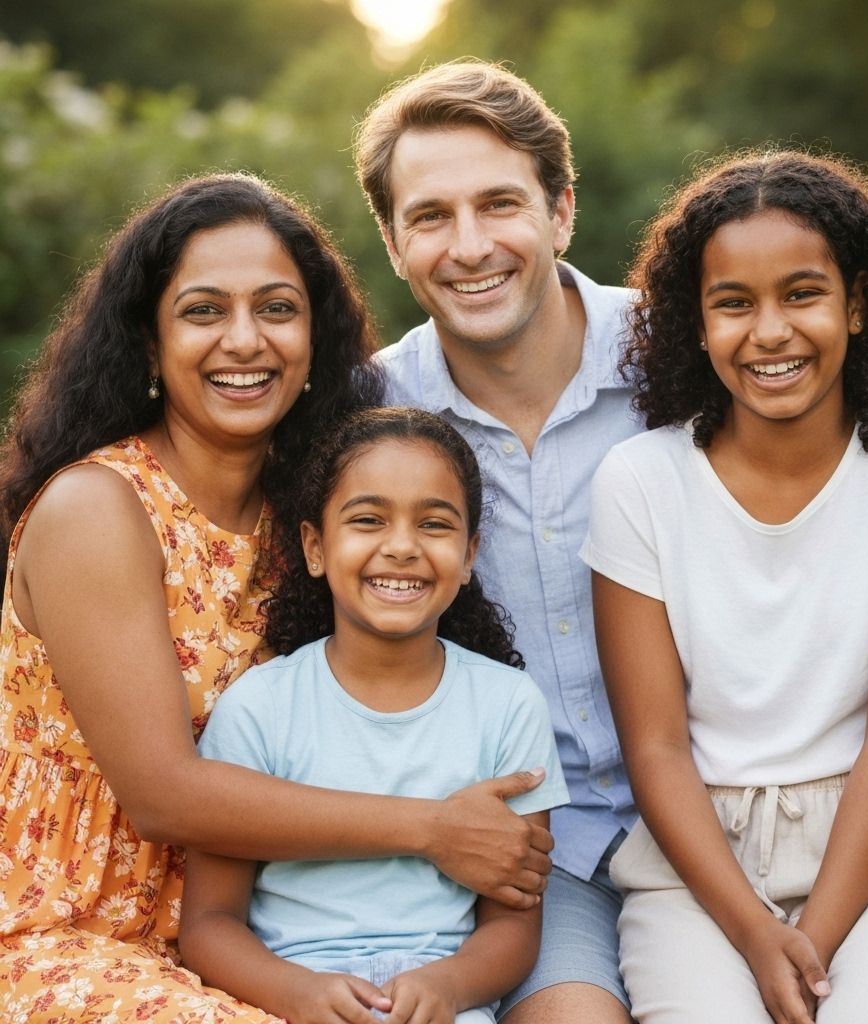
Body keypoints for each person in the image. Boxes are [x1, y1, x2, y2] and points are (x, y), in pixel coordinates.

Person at [353, 60, 868, 1023]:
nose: (470, 245)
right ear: (391, 239)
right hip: (558, 846)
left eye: (501, 203)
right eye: (430, 216)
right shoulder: (375, 421)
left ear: (562, 210)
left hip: (809, 807)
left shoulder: (706, 347)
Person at [0, 174, 554, 1024]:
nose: (245, 341)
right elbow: (162, 796)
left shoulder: (307, 515)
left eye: (277, 309)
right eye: (202, 311)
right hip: (73, 934)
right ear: (148, 343)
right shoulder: (99, 508)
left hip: (253, 939)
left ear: (316, 339)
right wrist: (435, 829)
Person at [580, 150, 868, 1023]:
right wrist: (752, 932)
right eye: (733, 303)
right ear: (698, 325)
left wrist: (809, 943)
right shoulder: (640, 481)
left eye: (802, 294)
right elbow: (655, 747)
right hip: (698, 866)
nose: (769, 331)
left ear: (856, 304)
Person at [179, 407, 568, 1024]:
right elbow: (208, 923)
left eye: (435, 525)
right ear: (314, 546)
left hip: (445, 1003)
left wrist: (450, 986)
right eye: (367, 520)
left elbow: (514, 926)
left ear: (469, 557)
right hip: (283, 996)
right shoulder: (259, 707)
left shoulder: (508, 705)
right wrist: (294, 993)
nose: (402, 547)